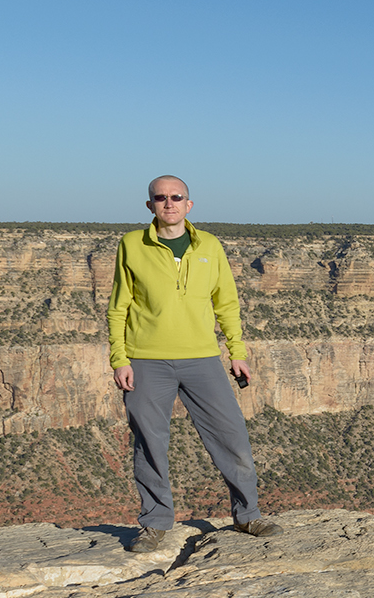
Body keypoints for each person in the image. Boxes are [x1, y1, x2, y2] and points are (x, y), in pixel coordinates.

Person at [107, 175, 282, 553]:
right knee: (149, 443)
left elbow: (227, 303)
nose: (168, 203)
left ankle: (248, 514)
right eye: (160, 198)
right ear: (149, 205)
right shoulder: (132, 245)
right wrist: (120, 359)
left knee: (231, 435)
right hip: (146, 359)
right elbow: (118, 305)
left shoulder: (210, 246)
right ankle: (155, 523)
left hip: (202, 358)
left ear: (189, 204)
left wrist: (237, 352)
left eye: (176, 197)